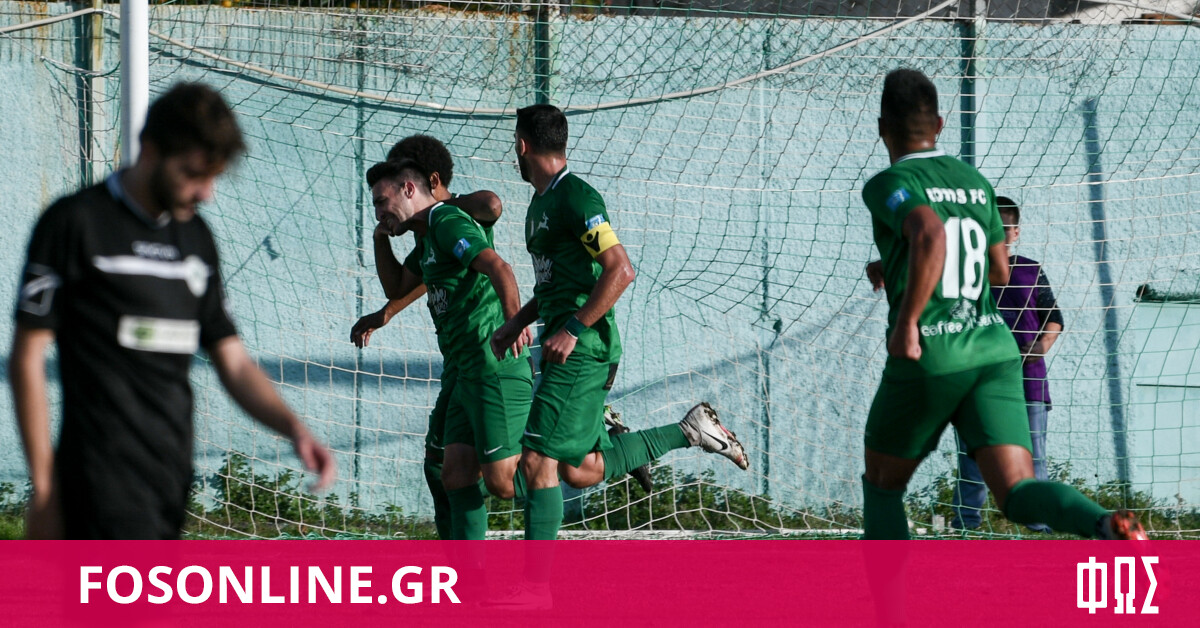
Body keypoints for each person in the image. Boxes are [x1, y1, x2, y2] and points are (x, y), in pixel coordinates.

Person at [10, 83, 335, 539]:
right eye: (194, 175)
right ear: (150, 149)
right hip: (97, 477)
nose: (207, 193)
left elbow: (234, 362)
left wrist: (293, 428)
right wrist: (45, 488)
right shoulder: (74, 223)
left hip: (169, 479)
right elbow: (27, 356)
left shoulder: (196, 240)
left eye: (213, 177)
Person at [859, 68, 1144, 540]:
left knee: (882, 488)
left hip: (933, 350)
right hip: (993, 350)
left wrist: (907, 322)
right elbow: (998, 271)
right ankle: (1103, 522)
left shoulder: (890, 182)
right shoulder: (974, 182)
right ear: (940, 125)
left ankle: (887, 591)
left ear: (881, 127)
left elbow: (929, 232)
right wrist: (895, 264)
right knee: (1016, 491)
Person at [491, 103, 750, 548]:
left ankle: (533, 585)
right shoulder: (539, 204)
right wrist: (516, 322)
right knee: (580, 468)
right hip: (569, 348)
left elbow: (621, 270)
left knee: (535, 463)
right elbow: (557, 287)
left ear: (522, 145)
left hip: (583, 351)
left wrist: (572, 329)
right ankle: (691, 430)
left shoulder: (578, 197)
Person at [364, 158, 533, 539]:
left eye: (381, 201)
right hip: (462, 368)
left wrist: (513, 321)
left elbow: (499, 266)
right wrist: (379, 239)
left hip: (490, 361)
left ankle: (593, 444)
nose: (378, 212)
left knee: (503, 483)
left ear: (410, 188)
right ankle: (466, 573)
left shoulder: (446, 220)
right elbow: (398, 287)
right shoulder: (426, 237)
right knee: (451, 473)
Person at [951, 196, 1063, 532]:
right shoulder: (964, 274)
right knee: (973, 455)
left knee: (1033, 456)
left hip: (1028, 380)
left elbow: (1054, 317)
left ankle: (1040, 524)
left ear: (1015, 233)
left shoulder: (1030, 270)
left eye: (1003, 230)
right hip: (977, 381)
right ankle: (966, 523)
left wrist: (1042, 345)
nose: (996, 236)